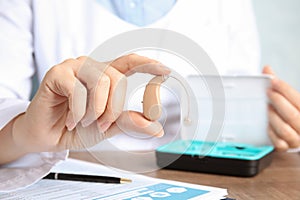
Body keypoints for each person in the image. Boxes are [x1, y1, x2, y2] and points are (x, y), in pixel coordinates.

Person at [0, 0, 299, 191]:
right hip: (76, 174)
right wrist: (24, 131)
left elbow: (239, 114)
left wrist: (273, 127)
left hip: (206, 178)